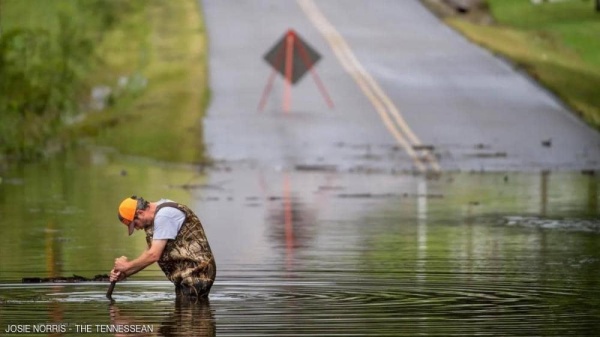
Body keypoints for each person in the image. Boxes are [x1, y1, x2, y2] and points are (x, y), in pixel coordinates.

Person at [110, 195, 216, 299]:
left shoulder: (164, 216)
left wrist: (126, 266)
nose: (137, 228)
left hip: (197, 273)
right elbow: (150, 251)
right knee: (184, 310)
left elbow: (154, 255)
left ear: (140, 213)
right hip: (186, 274)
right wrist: (125, 273)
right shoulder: (158, 215)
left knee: (189, 310)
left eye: (135, 224)